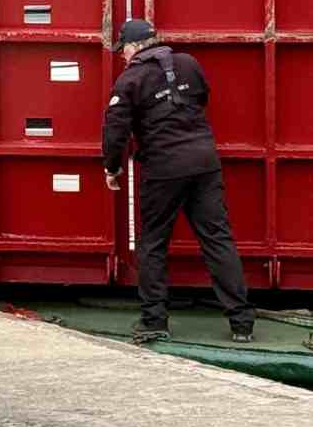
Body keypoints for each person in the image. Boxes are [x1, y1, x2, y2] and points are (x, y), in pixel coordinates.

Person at [102, 18, 254, 346]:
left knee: (153, 244)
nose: (122, 57)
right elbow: (202, 98)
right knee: (217, 239)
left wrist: (112, 169)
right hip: (204, 163)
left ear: (131, 47)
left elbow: (115, 132)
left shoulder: (130, 79)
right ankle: (242, 323)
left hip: (163, 169)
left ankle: (154, 321)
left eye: (122, 51)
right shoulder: (189, 63)